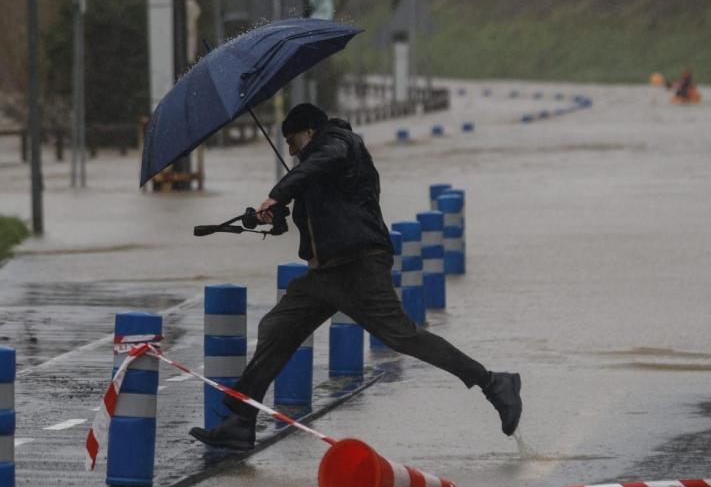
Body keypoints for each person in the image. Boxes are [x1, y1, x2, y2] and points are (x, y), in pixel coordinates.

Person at [189, 103, 522, 450]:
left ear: (310, 132)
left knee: (402, 336)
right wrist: (275, 216)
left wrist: (278, 193)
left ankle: (493, 383)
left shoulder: (341, 143)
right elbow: (316, 215)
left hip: (358, 266)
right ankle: (240, 421)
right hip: (324, 275)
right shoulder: (313, 167)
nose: (290, 150)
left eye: (292, 141)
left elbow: (323, 161)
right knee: (276, 328)